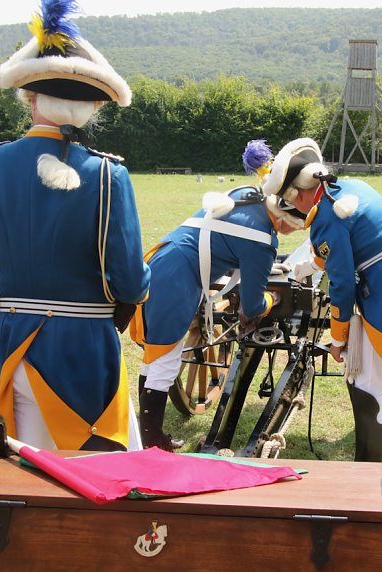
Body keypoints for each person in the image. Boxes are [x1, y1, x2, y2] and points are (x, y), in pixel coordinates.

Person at [0, 0, 150, 452]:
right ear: (91, 106)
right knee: (95, 469)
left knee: (25, 469)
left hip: (14, 342)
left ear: (29, 96)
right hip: (84, 351)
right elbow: (129, 279)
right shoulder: (108, 174)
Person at [264, 138, 382, 462]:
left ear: (296, 194)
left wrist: (339, 339)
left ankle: (367, 470)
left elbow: (340, 287)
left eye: (288, 202)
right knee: (367, 381)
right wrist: (312, 264)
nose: (291, 210)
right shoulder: (349, 187)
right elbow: (351, 246)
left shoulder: (326, 216)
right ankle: (366, 463)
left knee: (365, 382)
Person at [129, 139, 302, 451]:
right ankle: (152, 440)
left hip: (161, 260)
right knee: (165, 360)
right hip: (178, 279)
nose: (292, 232)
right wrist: (272, 301)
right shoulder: (263, 240)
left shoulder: (246, 197)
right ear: (286, 218)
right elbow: (250, 306)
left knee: (154, 356)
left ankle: (148, 433)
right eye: (294, 226)